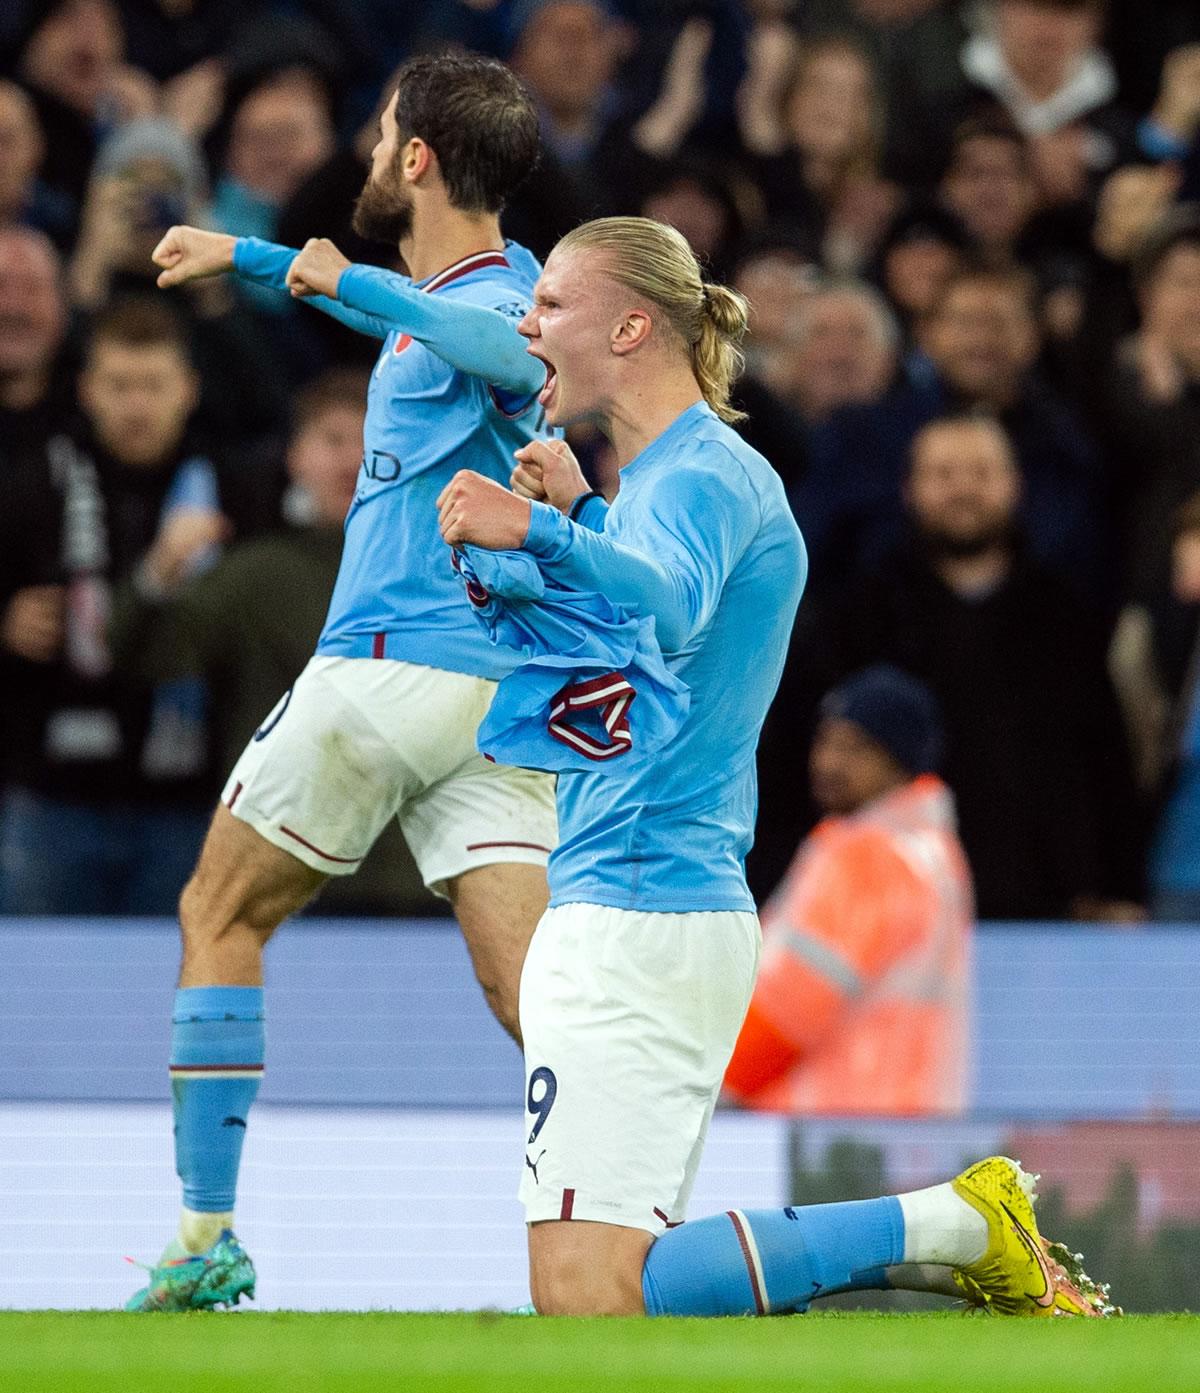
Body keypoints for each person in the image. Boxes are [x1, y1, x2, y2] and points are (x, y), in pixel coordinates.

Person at [436, 215, 1110, 1318]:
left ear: (634, 324)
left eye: (552, 303)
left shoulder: (700, 479)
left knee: (592, 1299)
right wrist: (585, 512)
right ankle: (952, 1230)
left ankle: (952, 1223)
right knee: (608, 1294)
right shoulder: (672, 483)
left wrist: (539, 532)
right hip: (644, 902)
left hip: (639, 911)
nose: (527, 321)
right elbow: (672, 623)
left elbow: (669, 601)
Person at [124, 52, 558, 1313]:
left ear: (417, 157)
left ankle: (205, 1232)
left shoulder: (516, 297)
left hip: (387, 669)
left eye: (381, 135)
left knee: (221, 912)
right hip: (491, 707)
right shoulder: (467, 294)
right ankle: (640, 1204)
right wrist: (257, 261)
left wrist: (334, 272)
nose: (370, 154)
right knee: (531, 997)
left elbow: (507, 352)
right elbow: (429, 324)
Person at [811, 413, 1142, 921]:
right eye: (943, 475)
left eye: (982, 474)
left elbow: (1106, 759)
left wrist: (1120, 886)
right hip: (887, 903)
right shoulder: (861, 616)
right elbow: (812, 758)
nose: (963, 490)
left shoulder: (1065, 615)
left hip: (1047, 909)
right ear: (909, 489)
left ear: (1015, 486)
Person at [0, 297, 224, 914]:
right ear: (87, 390)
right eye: (119, 385)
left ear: (189, 389)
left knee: (170, 998)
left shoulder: (232, 484)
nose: (136, 406)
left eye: (154, 385)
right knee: (33, 993)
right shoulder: (31, 480)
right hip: (50, 797)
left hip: (189, 800)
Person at [723, 665, 973, 1118]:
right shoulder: (938, 852)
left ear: (899, 760)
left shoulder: (865, 853)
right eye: (827, 741)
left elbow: (789, 1011)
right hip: (906, 1130)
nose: (828, 763)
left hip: (823, 1135)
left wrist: (701, 1093)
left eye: (856, 748)